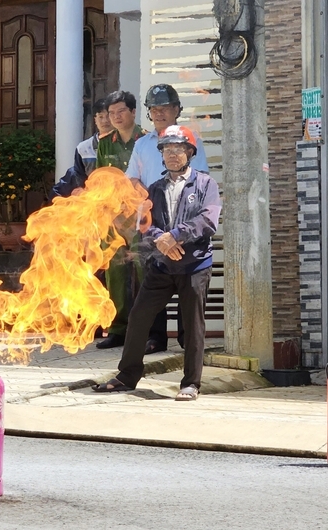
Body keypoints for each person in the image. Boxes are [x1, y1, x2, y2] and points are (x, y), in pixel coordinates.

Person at [92, 125, 221, 401]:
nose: (172, 155)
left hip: (194, 266)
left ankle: (191, 383)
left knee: (193, 325)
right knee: (139, 317)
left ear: (190, 153)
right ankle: (127, 375)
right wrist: (161, 240)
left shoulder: (206, 184)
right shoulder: (155, 188)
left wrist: (174, 237)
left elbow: (208, 221)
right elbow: (143, 225)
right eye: (167, 150)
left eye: (178, 149)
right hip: (161, 266)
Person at [125, 84, 210, 353]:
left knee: (188, 280)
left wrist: (177, 234)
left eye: (164, 108)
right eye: (154, 109)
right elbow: (132, 179)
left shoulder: (190, 140)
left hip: (184, 219)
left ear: (176, 110)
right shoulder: (141, 145)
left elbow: (200, 178)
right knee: (152, 278)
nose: (159, 113)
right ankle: (155, 337)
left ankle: (187, 338)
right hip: (153, 221)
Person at [94, 90, 147, 350]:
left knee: (145, 271)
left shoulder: (146, 140)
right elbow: (100, 179)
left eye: (121, 112)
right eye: (111, 113)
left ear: (133, 112)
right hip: (115, 217)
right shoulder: (105, 144)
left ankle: (148, 330)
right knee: (115, 272)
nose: (115, 117)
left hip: (141, 217)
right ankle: (118, 329)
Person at [50, 98, 114, 199]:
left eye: (108, 116)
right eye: (100, 117)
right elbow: (79, 178)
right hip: (91, 203)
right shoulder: (83, 148)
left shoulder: (127, 146)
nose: (105, 121)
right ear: (95, 120)